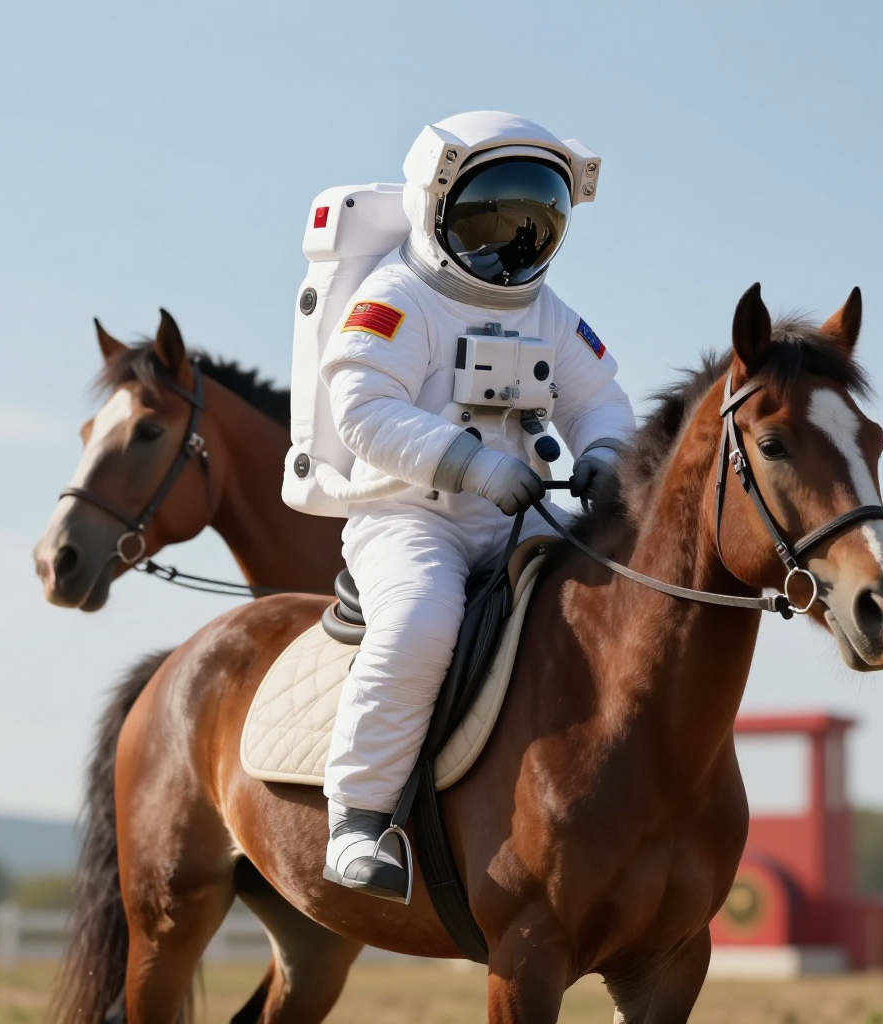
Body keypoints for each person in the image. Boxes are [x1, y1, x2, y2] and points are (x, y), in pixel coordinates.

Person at [320, 111, 635, 900]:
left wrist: (602, 457)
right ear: (437, 203)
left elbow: (601, 397)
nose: (514, 243)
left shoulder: (548, 311)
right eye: (493, 218)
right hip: (409, 516)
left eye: (535, 222)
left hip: (520, 514)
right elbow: (362, 407)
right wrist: (471, 466)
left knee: (613, 598)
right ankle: (357, 819)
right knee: (424, 620)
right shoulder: (399, 297)